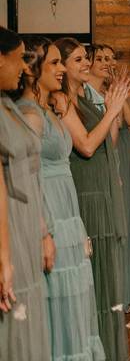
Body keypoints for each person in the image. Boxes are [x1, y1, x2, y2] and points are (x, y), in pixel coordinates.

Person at [15, 36, 105, 361]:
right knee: (56, 295)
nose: (61, 70)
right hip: (50, 211)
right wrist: (44, 231)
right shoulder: (29, 115)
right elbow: (25, 178)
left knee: (74, 294)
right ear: (32, 69)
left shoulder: (49, 108)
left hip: (68, 211)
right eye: (54, 63)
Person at [53, 37, 130, 361]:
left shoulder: (86, 95)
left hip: (103, 187)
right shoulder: (61, 100)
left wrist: (112, 111)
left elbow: (107, 142)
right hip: (85, 192)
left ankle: (108, 351)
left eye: (87, 58)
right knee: (94, 275)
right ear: (63, 67)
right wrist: (110, 111)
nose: (87, 63)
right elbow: (85, 146)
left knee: (107, 275)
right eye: (79, 59)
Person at [0, 27, 52, 361]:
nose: (24, 67)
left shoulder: (8, 105)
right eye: (19, 58)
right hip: (8, 227)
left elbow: (32, 174)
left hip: (26, 224)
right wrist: (4, 256)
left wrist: (43, 231)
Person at [87, 44, 130, 307]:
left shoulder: (111, 91)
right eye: (100, 58)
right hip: (110, 148)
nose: (107, 62)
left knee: (127, 216)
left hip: (125, 149)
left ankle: (127, 287)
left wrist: (119, 92)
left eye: (110, 58)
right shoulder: (89, 94)